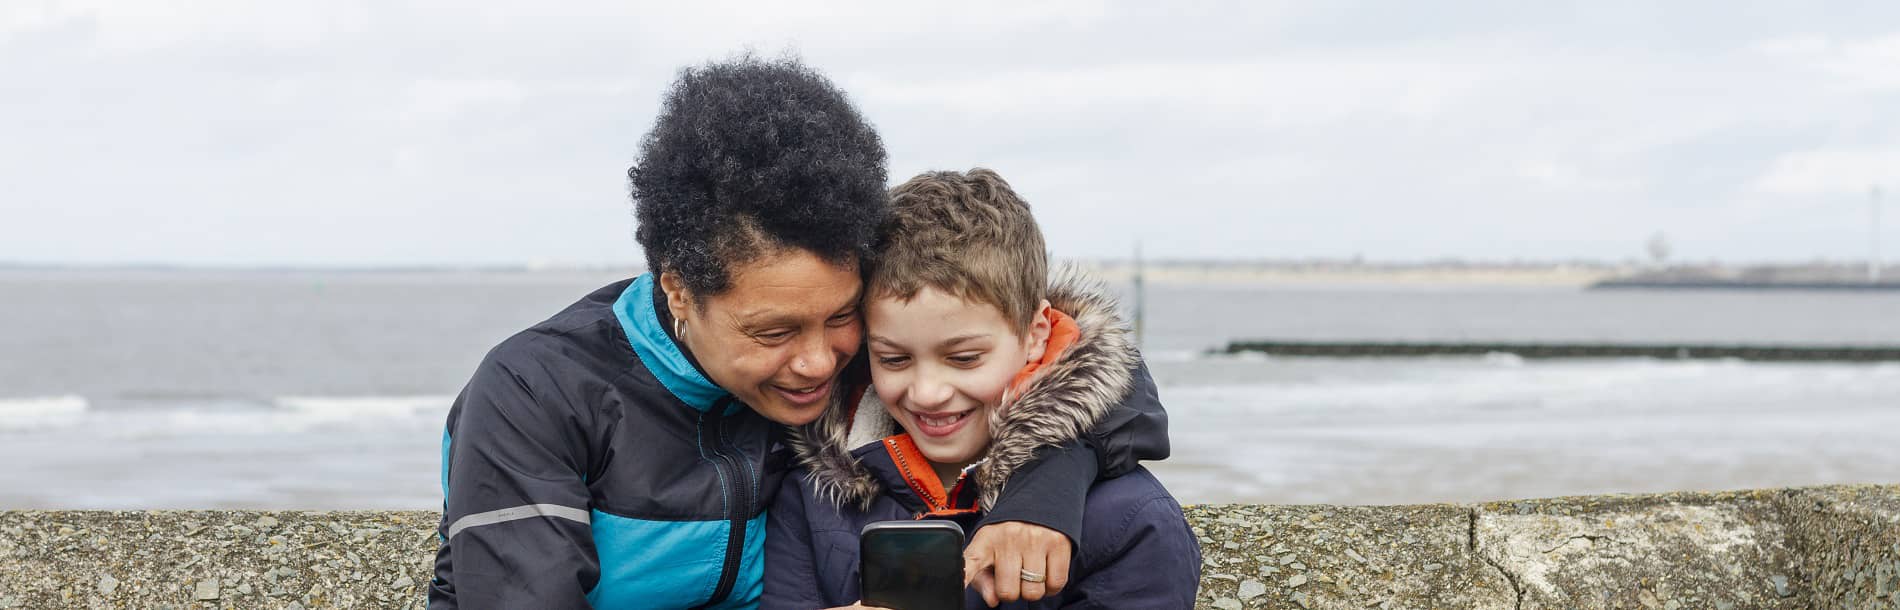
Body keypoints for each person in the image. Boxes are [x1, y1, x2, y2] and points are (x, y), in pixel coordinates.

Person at [429, 57, 1169, 609]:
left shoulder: (870, 363)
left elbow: (1088, 375)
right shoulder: (536, 392)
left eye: (842, 315)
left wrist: (1040, 492)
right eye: (773, 329)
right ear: (677, 291)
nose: (818, 361)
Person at [763, 169, 1200, 609]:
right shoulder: (810, 495)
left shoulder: (1132, 520)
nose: (928, 392)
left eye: (964, 358)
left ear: (1036, 333)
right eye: (894, 359)